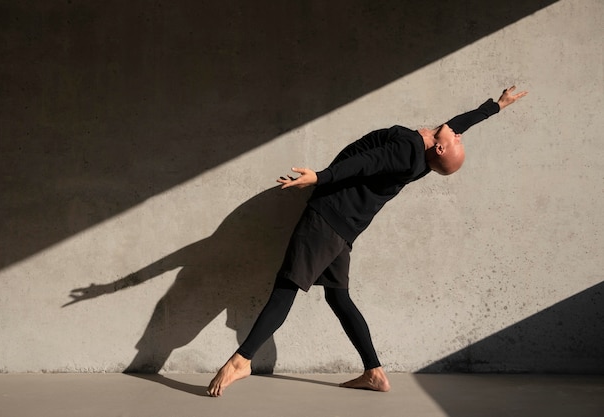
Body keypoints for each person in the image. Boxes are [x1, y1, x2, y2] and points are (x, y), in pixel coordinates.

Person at [206, 86, 528, 397]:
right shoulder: (427, 151)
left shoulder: (407, 152)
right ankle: (374, 373)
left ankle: (242, 360)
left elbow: (365, 163)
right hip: (345, 228)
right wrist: (496, 106)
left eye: (455, 139)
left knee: (287, 285)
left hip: (328, 217)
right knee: (338, 298)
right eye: (458, 136)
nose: (458, 134)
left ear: (439, 149)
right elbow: (459, 124)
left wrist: (318, 177)